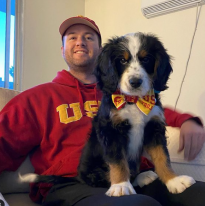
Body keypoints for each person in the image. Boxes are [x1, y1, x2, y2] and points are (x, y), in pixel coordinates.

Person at [0, 16, 204, 206]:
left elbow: (153, 112)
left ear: (100, 51)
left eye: (89, 37)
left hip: (137, 176)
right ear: (62, 49)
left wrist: (187, 120)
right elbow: (4, 139)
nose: (80, 42)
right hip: (70, 184)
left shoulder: (126, 90)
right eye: (72, 37)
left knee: (199, 195)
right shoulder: (37, 97)